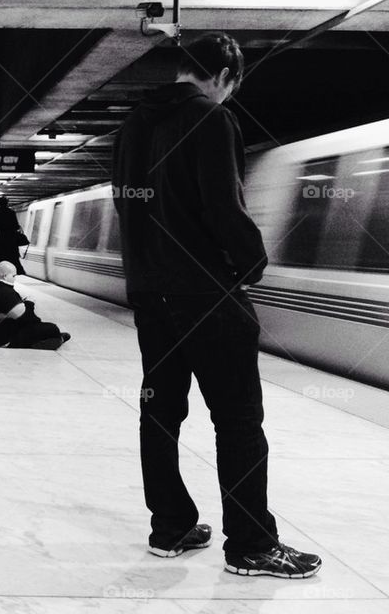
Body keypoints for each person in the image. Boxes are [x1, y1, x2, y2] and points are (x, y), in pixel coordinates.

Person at [112, 32, 321, 578]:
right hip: (205, 295)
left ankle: (171, 527)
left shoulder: (134, 124)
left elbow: (128, 210)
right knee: (238, 421)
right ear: (225, 74)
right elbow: (224, 207)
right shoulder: (211, 118)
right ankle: (251, 544)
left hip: (151, 295)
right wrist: (249, 266)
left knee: (160, 413)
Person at [0, 261, 70, 349]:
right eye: (13, 276)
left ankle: (55, 338)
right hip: (6, 337)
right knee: (53, 328)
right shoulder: (6, 292)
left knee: (46, 329)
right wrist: (29, 303)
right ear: (5, 276)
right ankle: (58, 339)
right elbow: (26, 318)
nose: (15, 279)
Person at [0, 196, 25, 275]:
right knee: (13, 258)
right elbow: (16, 226)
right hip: (11, 239)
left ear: (0, 203)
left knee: (1, 257)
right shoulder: (11, 212)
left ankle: (1, 272)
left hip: (0, 239)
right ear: (7, 203)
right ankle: (16, 272)